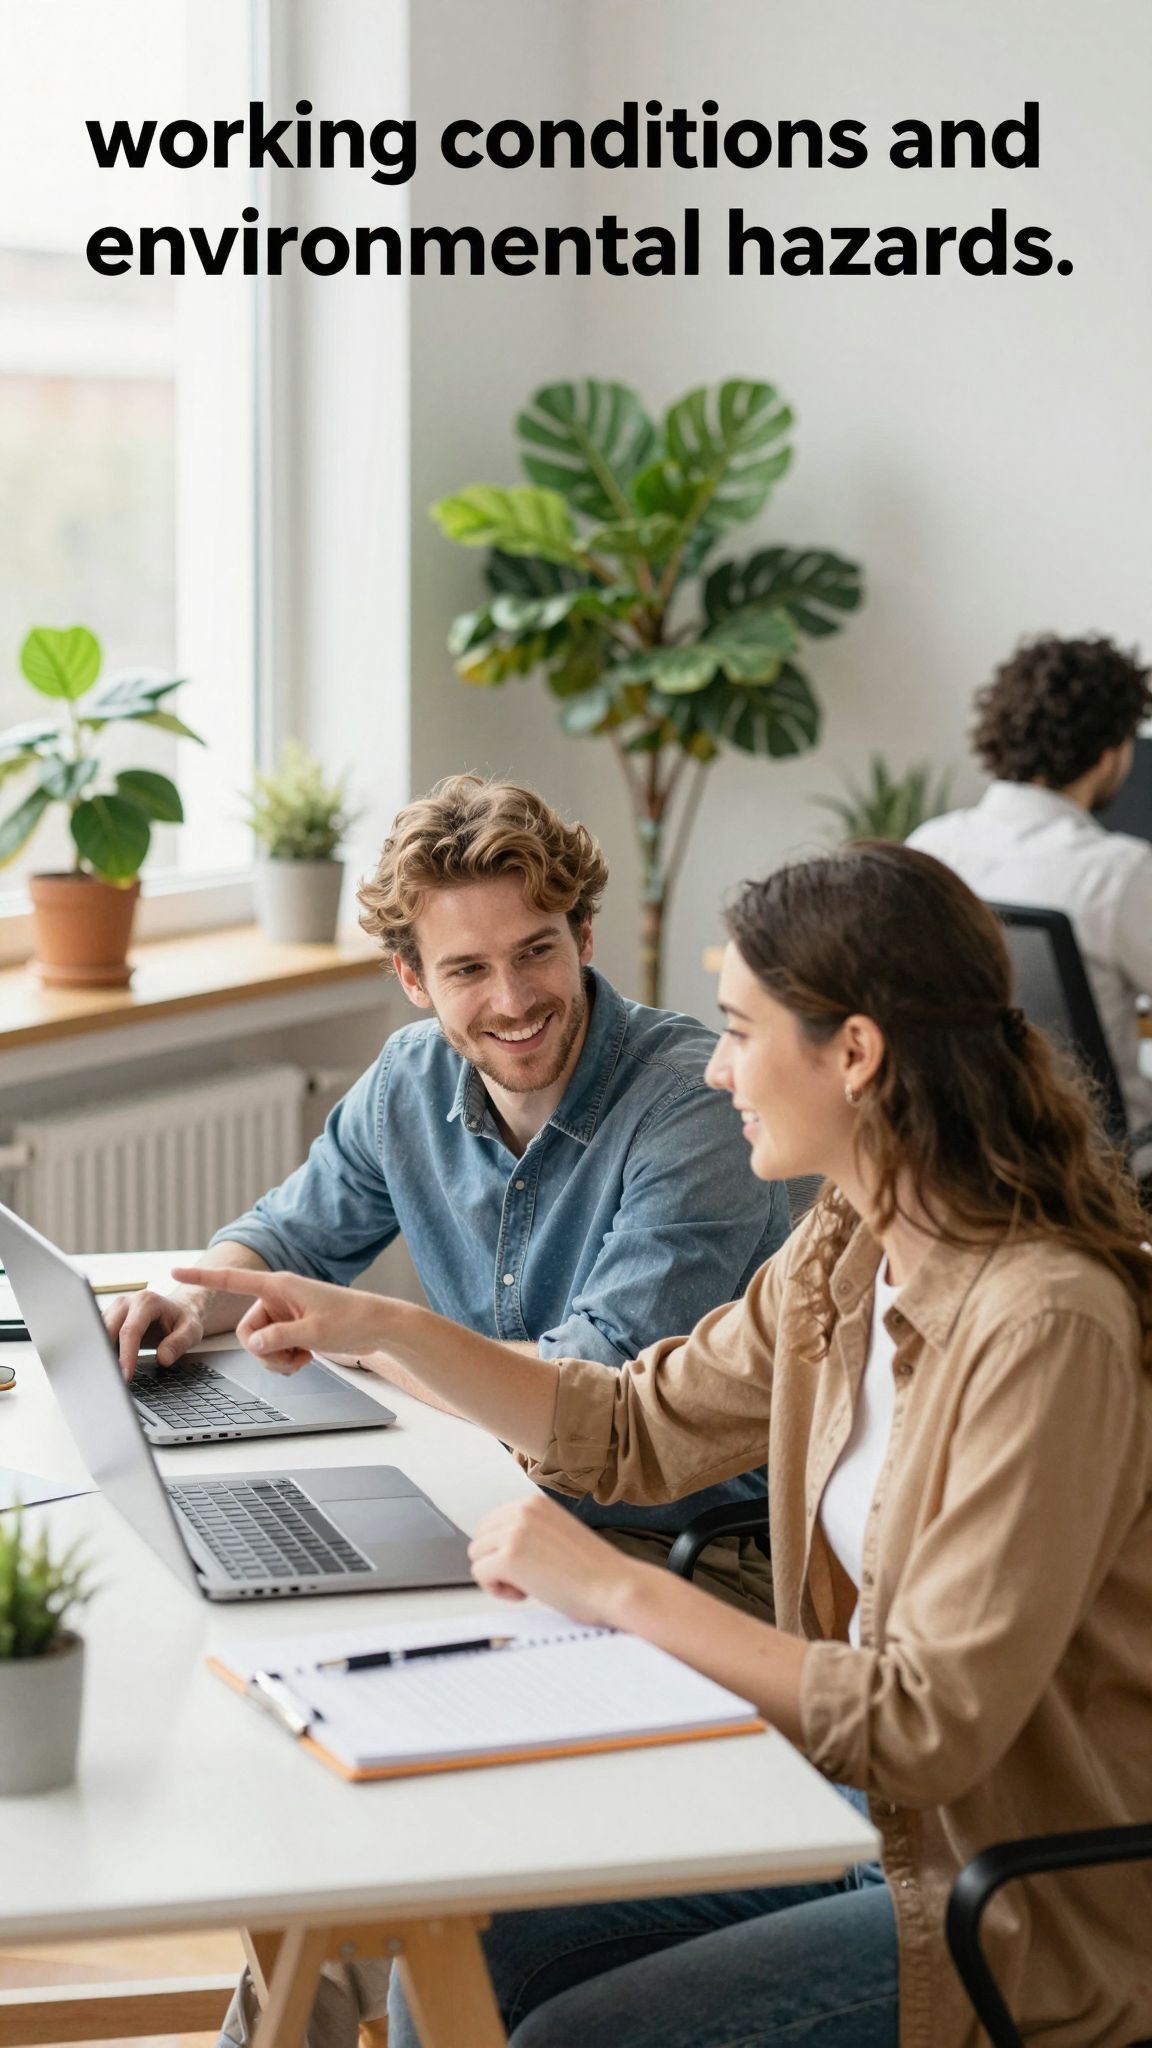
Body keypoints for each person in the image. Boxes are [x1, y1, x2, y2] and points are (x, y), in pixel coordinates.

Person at [183, 844, 1152, 2048]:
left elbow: (923, 1721)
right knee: (461, 1946)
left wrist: (614, 1588)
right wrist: (374, 1322)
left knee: (558, 2035)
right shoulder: (847, 1249)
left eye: (742, 1030)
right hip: (858, 1822)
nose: (714, 1062)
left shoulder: (1045, 1323)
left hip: (1011, 1905)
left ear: (854, 1053)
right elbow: (631, 1422)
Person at [108, 774, 787, 1615]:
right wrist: (182, 1299)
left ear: (583, 937)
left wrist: (379, 1343)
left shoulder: (693, 1107)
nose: (512, 1000)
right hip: (493, 1497)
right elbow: (288, 1242)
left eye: (536, 950)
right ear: (413, 979)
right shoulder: (411, 1075)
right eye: (467, 968)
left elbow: (594, 1400)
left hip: (678, 1554)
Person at [908, 632, 1152, 1149]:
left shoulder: (928, 848)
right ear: (1110, 754)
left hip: (961, 1152)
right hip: (1092, 1163)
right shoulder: (1118, 872)